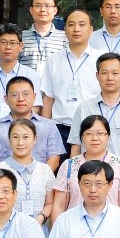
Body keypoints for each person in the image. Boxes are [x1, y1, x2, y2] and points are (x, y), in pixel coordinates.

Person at [66, 52, 120, 167]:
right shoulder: (83, 108)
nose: (110, 78)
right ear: (97, 75)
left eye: (115, 73)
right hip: (90, 175)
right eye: (104, 73)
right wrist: (73, 173)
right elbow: (76, 146)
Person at [52, 114, 120, 217]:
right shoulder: (69, 165)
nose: (94, 138)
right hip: (75, 224)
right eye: (88, 133)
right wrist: (57, 226)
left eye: (100, 133)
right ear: (81, 137)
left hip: (112, 224)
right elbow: (59, 205)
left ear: (108, 136)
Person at [39, 8, 99, 145]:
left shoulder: (100, 60)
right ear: (65, 29)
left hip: (92, 129)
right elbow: (48, 98)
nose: (76, 29)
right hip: (59, 130)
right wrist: (45, 132)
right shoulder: (53, 60)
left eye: (82, 24)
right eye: (71, 25)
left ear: (91, 30)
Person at [0, 76, 65, 171]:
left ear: (34, 97)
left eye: (25, 94)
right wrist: (6, 178)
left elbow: (54, 159)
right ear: (6, 99)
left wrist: (39, 177)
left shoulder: (49, 126)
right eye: (14, 95)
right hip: (4, 178)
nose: (20, 99)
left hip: (40, 178)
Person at [19, 0, 66, 70]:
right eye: (38, 6)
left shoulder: (65, 38)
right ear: (31, 10)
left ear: (55, 10)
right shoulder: (20, 37)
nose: (43, 10)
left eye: (47, 6)